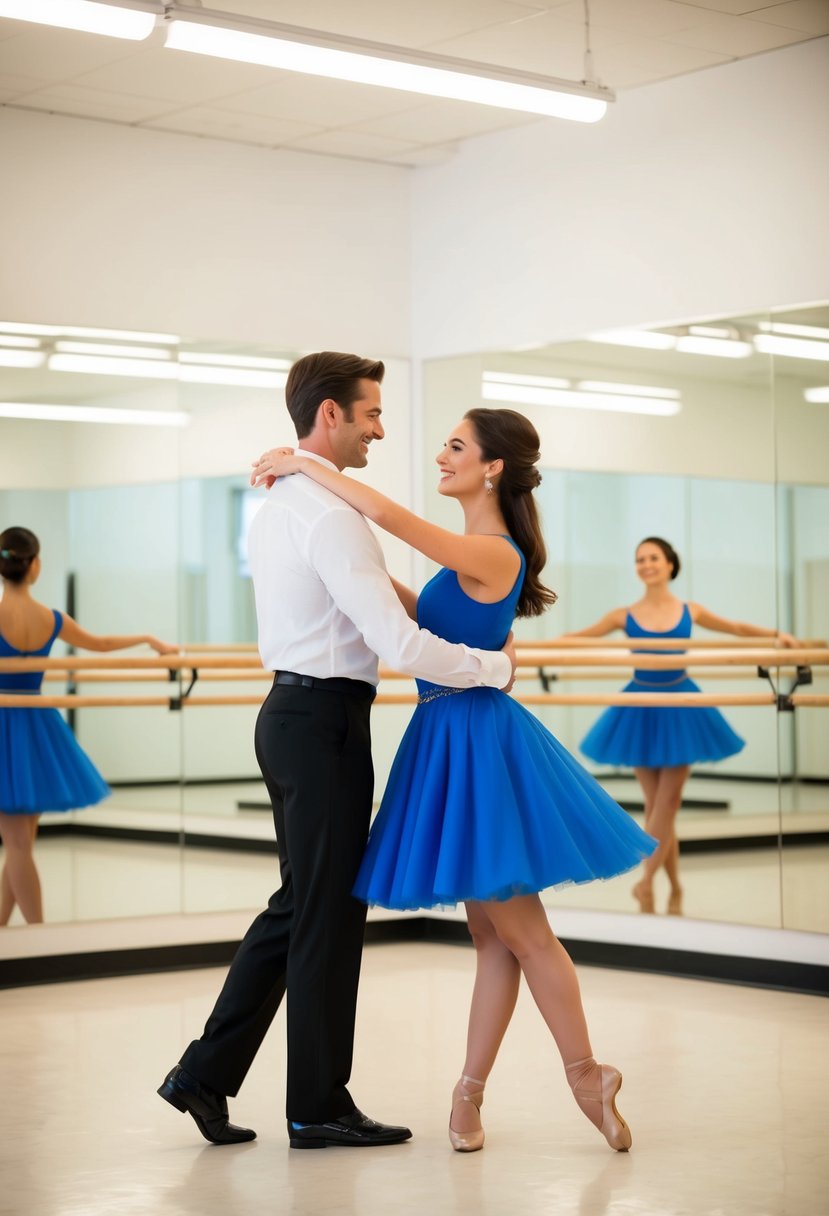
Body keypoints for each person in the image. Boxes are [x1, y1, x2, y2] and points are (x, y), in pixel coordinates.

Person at [252, 407, 656, 1156]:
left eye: (456, 446)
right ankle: (467, 1097)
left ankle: (583, 1075)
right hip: (447, 738)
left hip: (476, 744)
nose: (441, 455)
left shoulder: (493, 551)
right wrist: (359, 578)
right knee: (489, 936)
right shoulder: (466, 558)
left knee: (524, 933)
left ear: (492, 466)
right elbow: (419, 610)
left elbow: (391, 517)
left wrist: (308, 466)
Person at [158, 352, 516, 1151]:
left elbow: (387, 603)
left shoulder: (294, 498)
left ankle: (202, 1075)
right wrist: (492, 667)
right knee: (325, 914)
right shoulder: (325, 513)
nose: (381, 430)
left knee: (301, 906)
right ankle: (315, 1104)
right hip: (319, 722)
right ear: (330, 416)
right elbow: (397, 642)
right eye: (370, 415)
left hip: (298, 715)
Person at [564, 536, 797, 916]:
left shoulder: (690, 609)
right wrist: (514, 645)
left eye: (653, 557)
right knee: (658, 807)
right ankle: (673, 884)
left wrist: (775, 636)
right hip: (640, 706)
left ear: (670, 564)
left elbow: (734, 627)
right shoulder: (623, 615)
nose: (646, 564)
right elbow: (577, 639)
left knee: (667, 802)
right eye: (640, 559)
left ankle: (644, 882)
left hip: (681, 705)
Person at [0, 526, 175, 926]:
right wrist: (149, 638)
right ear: (35, 566)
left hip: (5, 724)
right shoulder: (50, 618)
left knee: (17, 845)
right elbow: (103, 643)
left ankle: (36, 941)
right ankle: (10, 936)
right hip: (36, 726)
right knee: (21, 843)